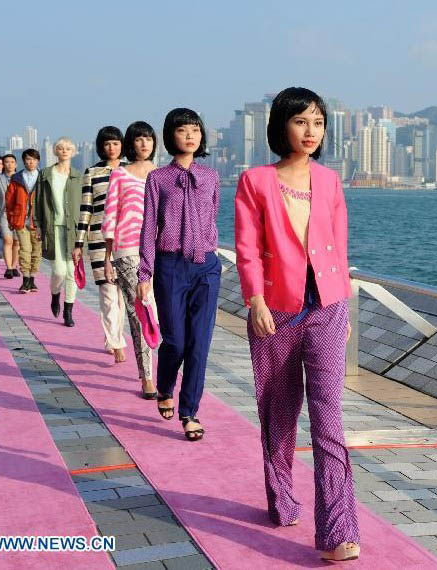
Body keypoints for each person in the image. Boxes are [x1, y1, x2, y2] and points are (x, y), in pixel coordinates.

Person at [234, 87, 359, 562]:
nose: (311, 132)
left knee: (329, 420)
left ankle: (338, 531)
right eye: (302, 121)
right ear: (281, 125)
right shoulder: (255, 181)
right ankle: (282, 497)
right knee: (279, 412)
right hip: (277, 311)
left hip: (327, 309)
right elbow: (247, 247)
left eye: (319, 123)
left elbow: (340, 248)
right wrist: (256, 300)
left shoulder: (329, 181)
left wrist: (343, 306)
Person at [137, 108, 220, 442]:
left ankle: (190, 412)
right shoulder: (157, 178)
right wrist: (145, 272)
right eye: (183, 130)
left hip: (207, 267)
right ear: (170, 135)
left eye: (196, 130)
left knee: (199, 344)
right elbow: (148, 228)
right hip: (170, 266)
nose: (190, 135)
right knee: (175, 341)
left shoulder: (212, 177)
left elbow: (213, 216)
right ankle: (165, 385)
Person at [104, 121, 157, 399]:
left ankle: (164, 372)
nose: (144, 143)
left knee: (161, 315)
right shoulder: (121, 175)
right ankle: (147, 377)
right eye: (138, 139)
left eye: (148, 138)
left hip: (162, 251)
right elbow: (110, 216)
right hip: (128, 250)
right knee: (141, 313)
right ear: (130, 143)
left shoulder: (162, 174)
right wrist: (107, 257)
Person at [74, 127, 128, 360]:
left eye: (115, 143)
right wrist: (79, 243)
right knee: (108, 292)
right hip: (97, 238)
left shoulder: (129, 170)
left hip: (126, 239)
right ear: (101, 147)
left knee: (123, 295)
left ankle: (112, 337)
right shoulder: (92, 173)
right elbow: (85, 209)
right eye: (107, 144)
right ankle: (117, 344)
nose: (111, 148)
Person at [35, 138, 81, 327]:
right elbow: (38, 200)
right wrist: (38, 224)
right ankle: (55, 295)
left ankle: (68, 311)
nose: (64, 151)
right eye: (60, 148)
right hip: (52, 228)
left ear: (73, 152)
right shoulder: (46, 174)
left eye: (68, 148)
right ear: (55, 151)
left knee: (71, 272)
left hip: (73, 229)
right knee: (59, 271)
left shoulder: (79, 176)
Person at [4, 149, 42, 292]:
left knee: (36, 251)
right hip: (21, 220)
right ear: (23, 161)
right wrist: (11, 218)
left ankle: (32, 280)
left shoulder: (43, 177)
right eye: (27, 159)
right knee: (25, 250)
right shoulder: (17, 178)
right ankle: (25, 280)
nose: (30, 162)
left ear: (38, 161)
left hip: (38, 222)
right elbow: (9, 201)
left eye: (33, 159)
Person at [0, 154, 20, 279]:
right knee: (8, 240)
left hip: (19, 214)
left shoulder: (21, 179)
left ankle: (14, 266)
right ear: (3, 164)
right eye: (6, 162)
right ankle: (8, 268)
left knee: (17, 242)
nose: (9, 164)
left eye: (12, 162)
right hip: (4, 214)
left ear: (16, 164)